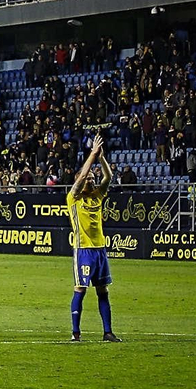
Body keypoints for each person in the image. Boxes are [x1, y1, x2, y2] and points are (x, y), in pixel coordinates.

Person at [67, 134, 121, 342]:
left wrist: (101, 158)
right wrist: (92, 154)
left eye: (92, 178)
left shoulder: (97, 195)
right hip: (83, 251)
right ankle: (76, 333)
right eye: (87, 178)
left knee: (103, 291)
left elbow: (108, 177)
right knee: (80, 289)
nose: (90, 180)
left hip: (100, 250)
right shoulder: (73, 198)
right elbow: (80, 178)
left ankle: (107, 332)